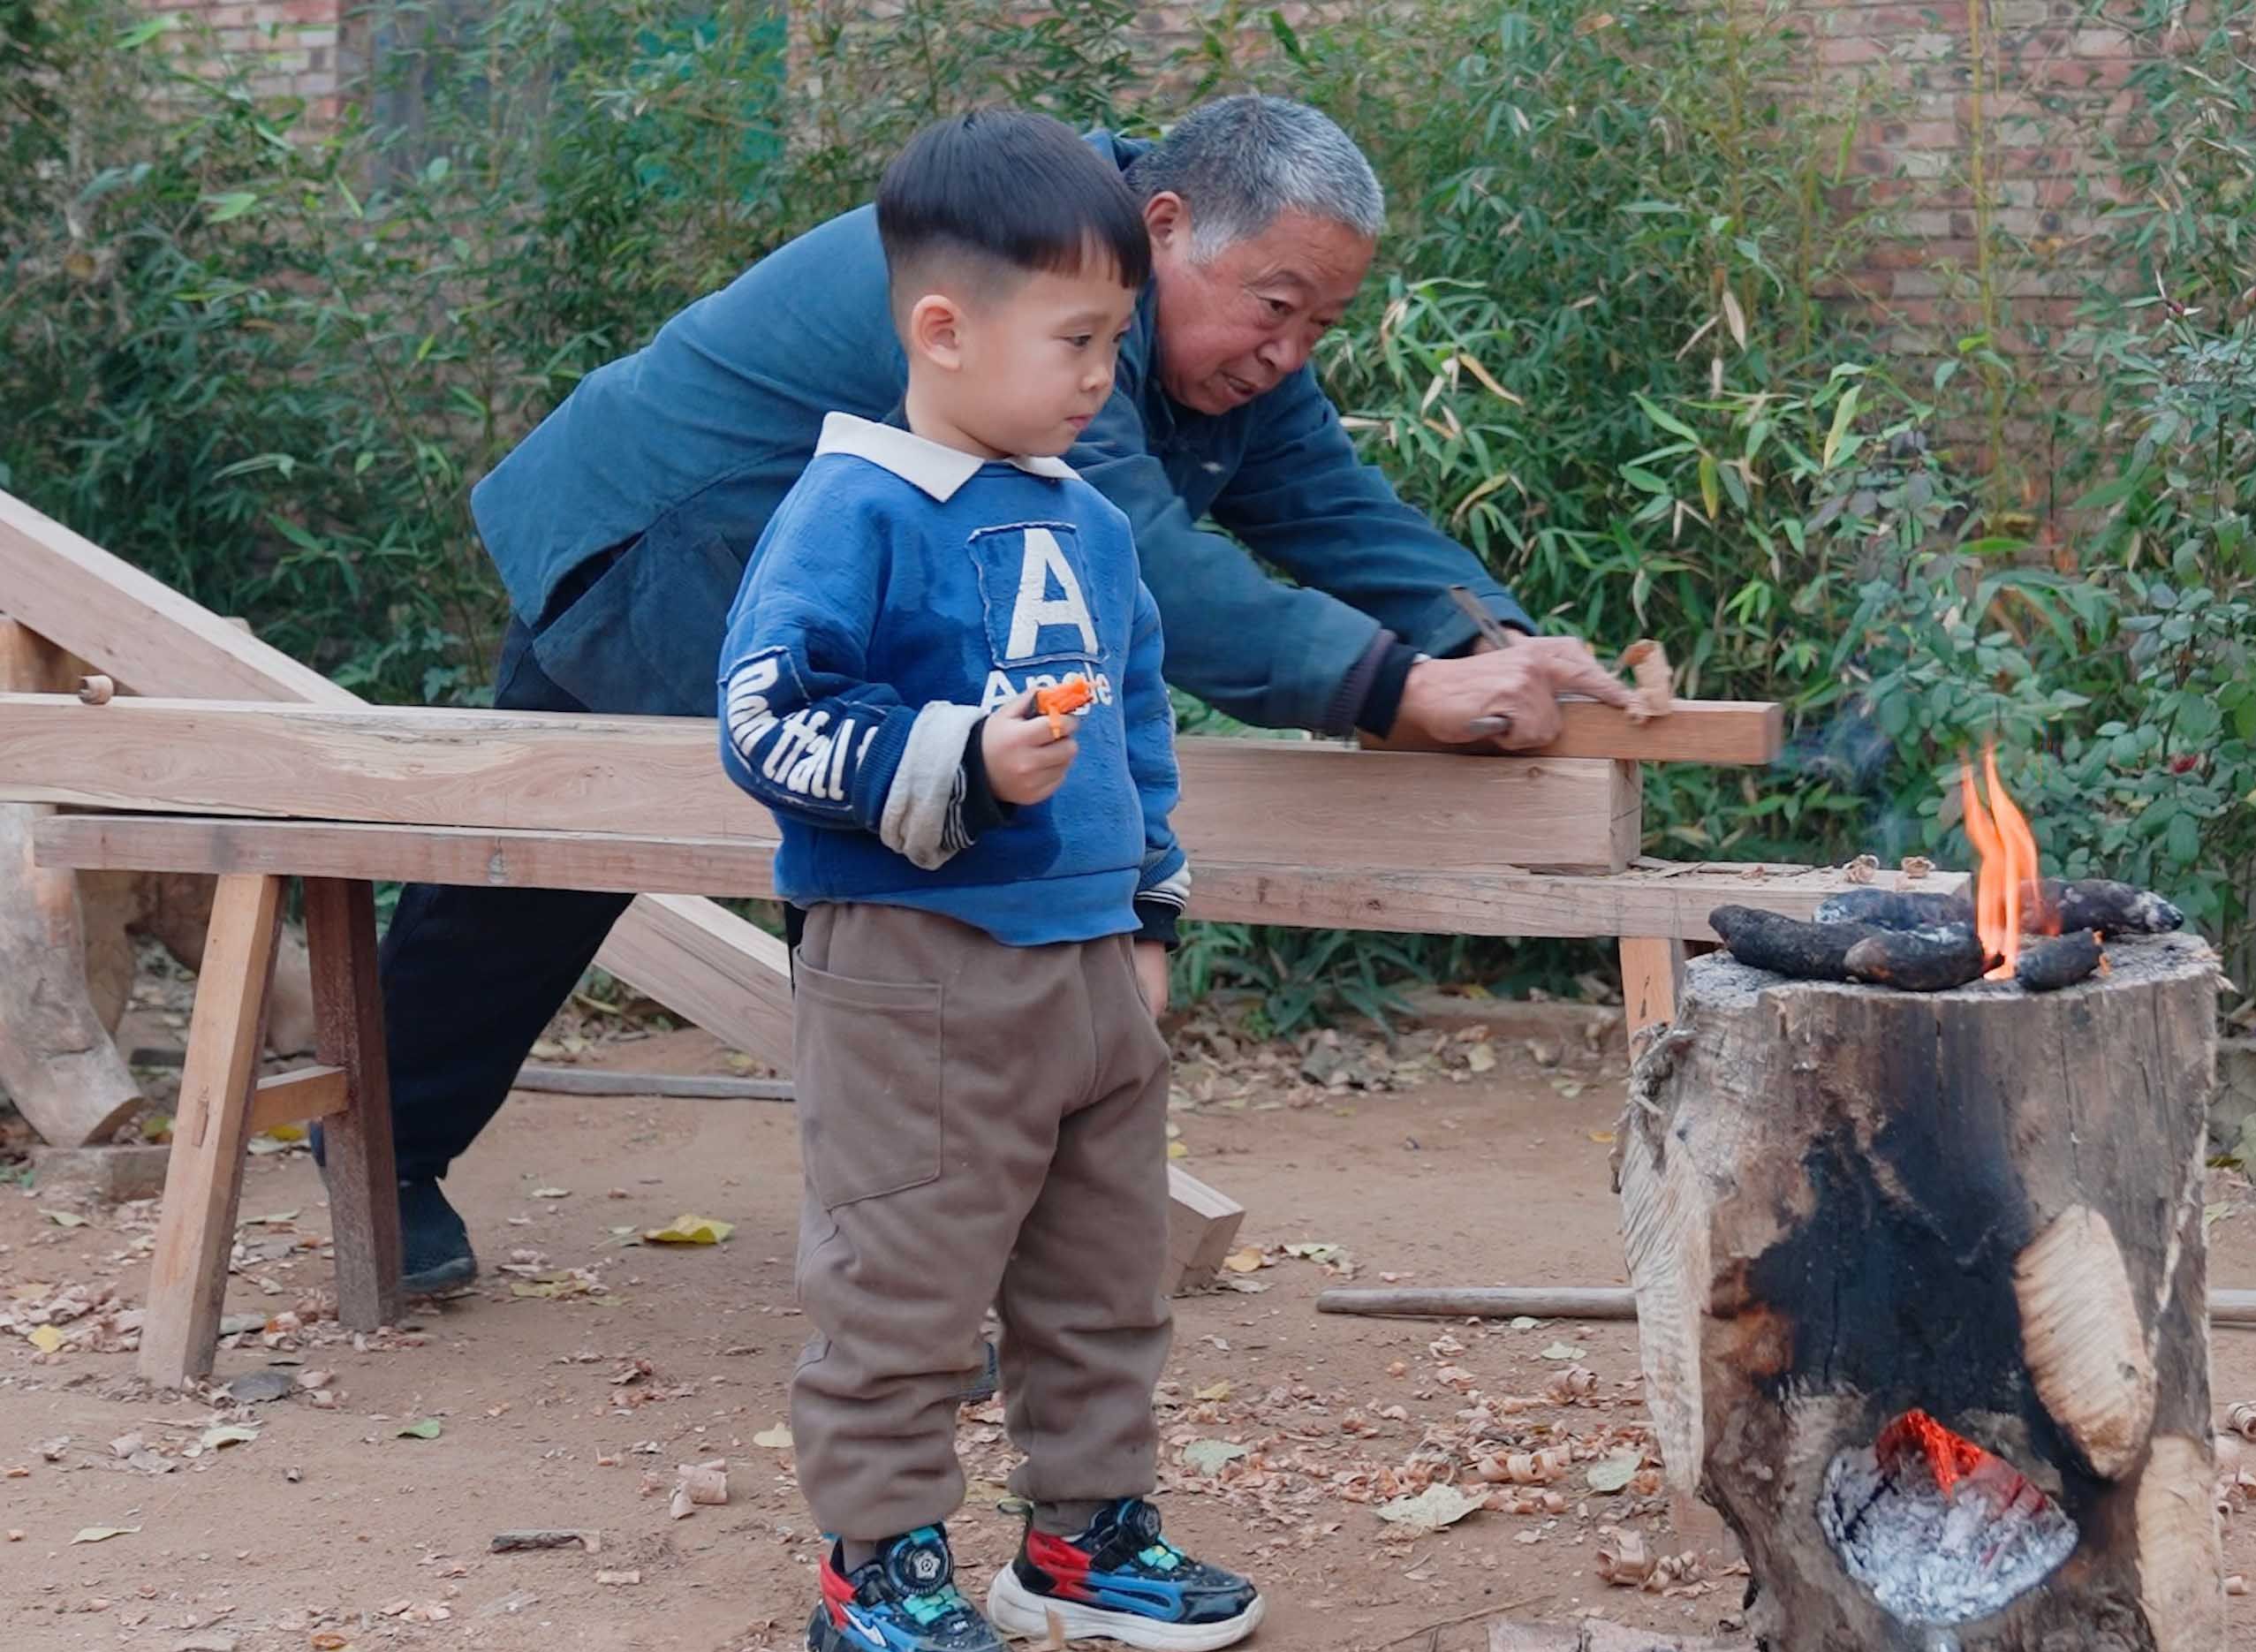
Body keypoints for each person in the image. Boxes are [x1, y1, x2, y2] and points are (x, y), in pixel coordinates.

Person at [374, 95, 1637, 1295]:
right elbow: (1131, 563)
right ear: (1167, 229)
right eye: (1276, 307)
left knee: (619, 869)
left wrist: (1494, 640)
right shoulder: (1043, 281)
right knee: (742, 864)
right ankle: (887, 1261)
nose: (1288, 352)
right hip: (660, 537)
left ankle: (924, 1245)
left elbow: (1331, 502)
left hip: (820, 569)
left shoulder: (1192, 328)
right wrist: (1397, 689)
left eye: (1319, 327)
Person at [717, 110, 1259, 1652]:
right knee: (904, 1281)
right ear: (942, 331)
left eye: (1117, 341)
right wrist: (956, 755)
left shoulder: (1084, 517)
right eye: (1077, 341)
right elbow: (763, 713)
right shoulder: (855, 508)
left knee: (1104, 1277)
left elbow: (1143, 716)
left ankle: (1085, 1539)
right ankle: (873, 1565)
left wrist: (1151, 914)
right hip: (920, 970)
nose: (1105, 378)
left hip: (1088, 967)